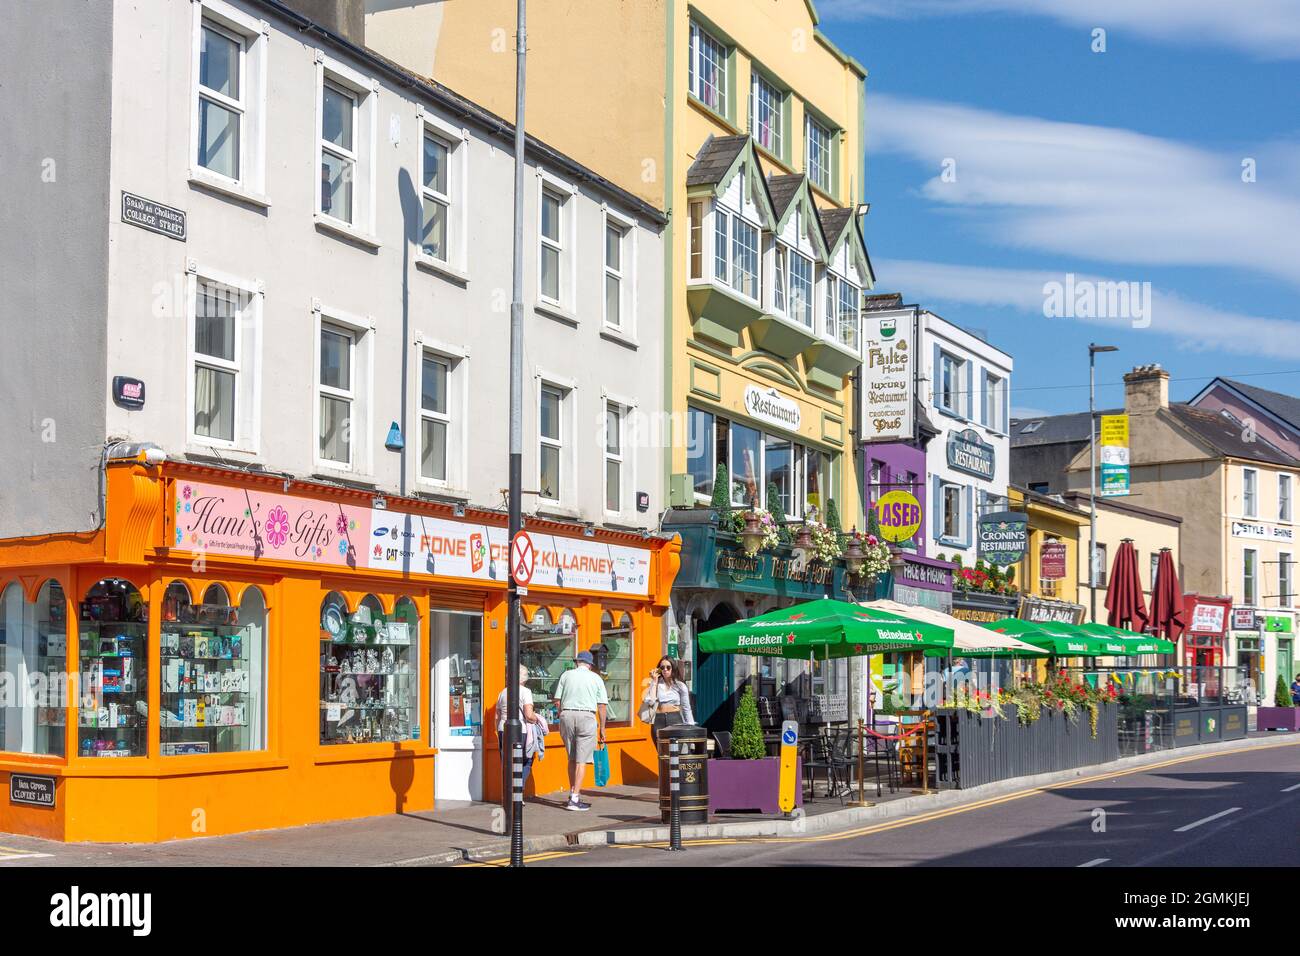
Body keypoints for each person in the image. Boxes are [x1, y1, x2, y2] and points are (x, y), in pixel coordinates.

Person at [554, 649, 607, 811]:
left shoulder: (566, 675)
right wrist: (603, 728)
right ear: (590, 665)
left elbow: (557, 701)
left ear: (577, 662)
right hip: (586, 716)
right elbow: (602, 706)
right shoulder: (596, 678)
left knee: (571, 757)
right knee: (581, 760)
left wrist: (562, 714)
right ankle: (575, 799)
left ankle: (572, 793)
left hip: (567, 715)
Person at [496, 664, 542, 796]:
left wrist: (499, 730)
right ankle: (517, 792)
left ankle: (508, 794)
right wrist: (537, 719)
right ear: (524, 678)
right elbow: (528, 714)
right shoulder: (525, 691)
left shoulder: (502, 692)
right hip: (520, 731)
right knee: (526, 760)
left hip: (503, 730)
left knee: (507, 763)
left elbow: (497, 716)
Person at [641, 656, 693, 741]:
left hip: (675, 719)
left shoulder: (680, 685)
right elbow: (650, 702)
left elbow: (686, 708)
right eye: (662, 667)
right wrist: (654, 681)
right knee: (662, 752)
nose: (665, 670)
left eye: (668, 667)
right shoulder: (655, 684)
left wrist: (691, 727)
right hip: (658, 720)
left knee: (674, 751)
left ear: (673, 668)